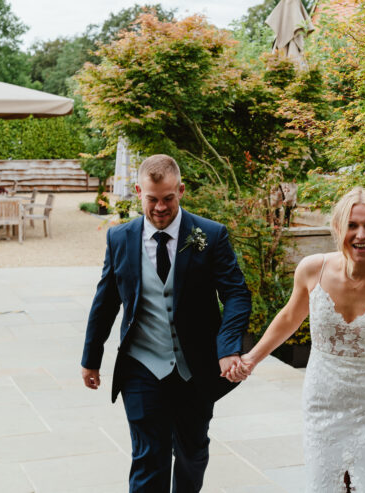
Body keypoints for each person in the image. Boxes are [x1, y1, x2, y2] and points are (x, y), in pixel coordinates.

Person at [227, 186, 365, 492]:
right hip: (323, 399)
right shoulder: (313, 269)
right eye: (352, 225)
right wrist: (251, 359)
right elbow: (288, 318)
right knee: (323, 486)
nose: (361, 234)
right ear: (338, 228)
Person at [81, 154, 252, 493]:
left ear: (181, 191)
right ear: (138, 192)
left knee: (192, 452)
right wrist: (91, 358)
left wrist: (228, 347)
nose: (160, 207)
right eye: (152, 199)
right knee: (149, 456)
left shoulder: (210, 235)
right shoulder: (120, 239)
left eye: (168, 199)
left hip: (195, 367)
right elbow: (106, 301)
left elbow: (237, 294)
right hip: (141, 365)